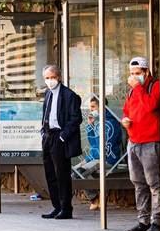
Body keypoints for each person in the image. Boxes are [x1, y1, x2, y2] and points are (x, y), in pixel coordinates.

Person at [123, 56, 160, 231]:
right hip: (134, 141)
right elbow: (127, 109)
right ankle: (143, 220)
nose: (134, 77)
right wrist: (125, 120)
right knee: (138, 183)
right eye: (131, 74)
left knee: (154, 183)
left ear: (146, 72)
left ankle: (158, 221)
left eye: (137, 73)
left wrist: (138, 87)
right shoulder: (132, 91)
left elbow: (150, 106)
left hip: (150, 142)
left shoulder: (155, 87)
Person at [40, 65, 82, 220]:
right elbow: (46, 113)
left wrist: (63, 136)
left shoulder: (69, 95)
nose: (49, 81)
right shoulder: (48, 94)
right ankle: (56, 206)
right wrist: (43, 131)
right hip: (48, 135)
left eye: (52, 77)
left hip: (60, 137)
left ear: (58, 77)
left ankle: (66, 208)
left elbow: (76, 118)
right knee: (50, 172)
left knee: (61, 174)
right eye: (46, 78)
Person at [83, 97, 122, 210]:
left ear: (102, 106)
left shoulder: (110, 122)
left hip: (108, 158)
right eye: (90, 107)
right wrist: (90, 126)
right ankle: (95, 197)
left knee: (81, 172)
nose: (91, 110)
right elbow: (94, 143)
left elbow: (105, 146)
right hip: (96, 156)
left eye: (93, 107)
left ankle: (94, 198)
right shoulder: (99, 121)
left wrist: (90, 158)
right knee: (75, 171)